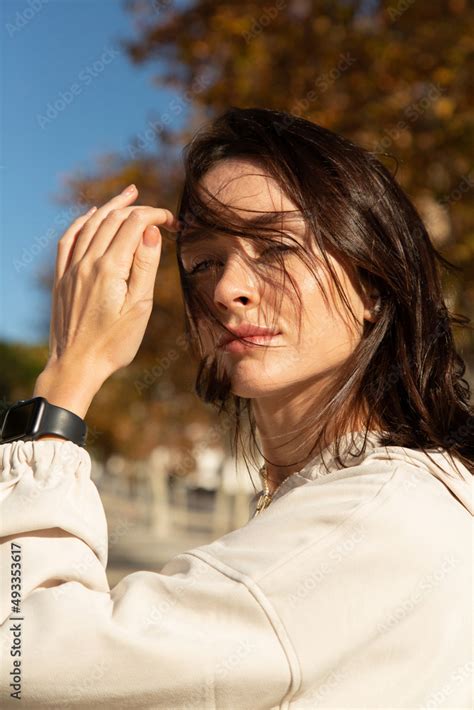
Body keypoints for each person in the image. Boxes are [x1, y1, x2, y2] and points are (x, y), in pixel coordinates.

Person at [0, 107, 472, 709]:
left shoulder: (373, 515)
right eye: (203, 262)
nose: (227, 289)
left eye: (276, 247)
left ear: (373, 284)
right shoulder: (370, 495)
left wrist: (68, 380)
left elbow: (21, 663)